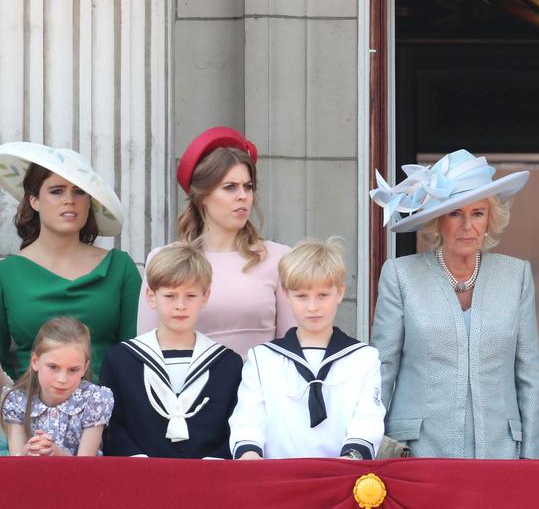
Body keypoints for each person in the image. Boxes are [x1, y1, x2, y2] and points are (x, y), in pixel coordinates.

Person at [370, 150, 539, 459]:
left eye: (478, 213)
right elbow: (383, 368)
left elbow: (529, 374)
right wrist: (372, 446)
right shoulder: (400, 275)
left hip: (500, 451)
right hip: (418, 452)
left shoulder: (516, 275)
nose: (468, 225)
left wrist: (531, 461)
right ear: (438, 221)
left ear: (490, 219)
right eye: (455, 213)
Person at [139, 127, 294, 357]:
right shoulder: (163, 259)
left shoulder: (279, 258)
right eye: (230, 187)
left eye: (248, 186)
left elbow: (292, 345)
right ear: (202, 196)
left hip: (261, 389)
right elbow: (147, 347)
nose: (243, 195)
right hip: (190, 389)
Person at [228, 238, 383, 459]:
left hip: (342, 477)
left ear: (340, 293)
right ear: (285, 294)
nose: (313, 307)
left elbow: (368, 418)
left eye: (323, 295)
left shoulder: (363, 359)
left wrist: (351, 459)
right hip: (278, 479)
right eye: (301, 296)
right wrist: (249, 454)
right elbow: (249, 417)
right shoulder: (263, 359)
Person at [0, 142, 139, 379]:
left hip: (108, 410)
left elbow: (137, 354)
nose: (70, 200)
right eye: (57, 191)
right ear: (34, 200)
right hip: (26, 410)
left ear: (89, 203)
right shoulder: (5, 273)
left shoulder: (120, 268)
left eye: (79, 191)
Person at [99, 243, 242, 458]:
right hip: (138, 480)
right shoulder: (121, 359)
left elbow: (235, 425)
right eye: (170, 296)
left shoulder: (227, 364)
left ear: (205, 297)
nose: (180, 305)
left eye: (190, 296)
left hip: (209, 480)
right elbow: (112, 426)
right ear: (150, 296)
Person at [2, 317, 114, 456]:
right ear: (35, 361)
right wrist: (30, 450)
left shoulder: (94, 400)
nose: (62, 379)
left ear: (85, 367)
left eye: (73, 370)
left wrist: (55, 453)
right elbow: (15, 466)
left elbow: (86, 467)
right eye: (53, 367)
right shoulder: (17, 401)